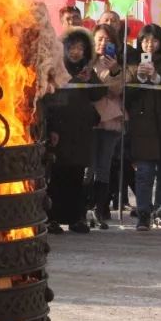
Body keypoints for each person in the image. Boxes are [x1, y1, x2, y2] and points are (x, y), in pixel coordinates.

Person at [42, 28, 102, 233]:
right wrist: (51, 127)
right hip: (60, 129)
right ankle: (52, 218)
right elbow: (48, 99)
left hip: (81, 131)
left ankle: (76, 217)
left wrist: (89, 81)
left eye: (80, 48)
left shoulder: (86, 70)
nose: (76, 52)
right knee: (57, 175)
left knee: (77, 176)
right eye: (72, 47)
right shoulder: (56, 68)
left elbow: (98, 94)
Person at [126, 23, 161, 231]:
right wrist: (139, 78)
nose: (149, 45)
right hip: (142, 128)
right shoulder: (132, 64)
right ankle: (143, 214)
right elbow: (126, 97)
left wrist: (157, 79)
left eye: (154, 40)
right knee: (144, 173)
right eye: (145, 40)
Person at [88, 24, 125, 229]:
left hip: (110, 117)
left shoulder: (116, 64)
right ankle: (86, 205)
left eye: (108, 40)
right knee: (89, 166)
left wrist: (114, 71)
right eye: (100, 39)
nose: (103, 43)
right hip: (90, 118)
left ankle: (100, 208)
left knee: (104, 165)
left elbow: (117, 90)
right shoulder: (86, 61)